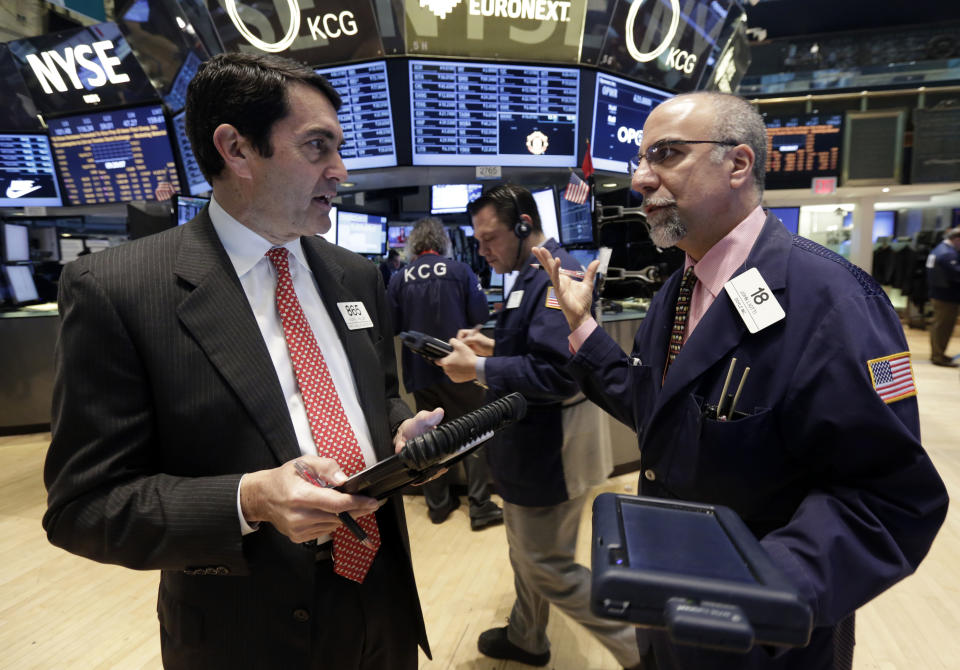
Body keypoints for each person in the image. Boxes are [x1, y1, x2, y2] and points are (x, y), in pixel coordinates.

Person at [42, 52, 442, 670]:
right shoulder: (120, 290)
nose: (341, 172)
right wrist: (249, 500)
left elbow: (376, 393)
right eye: (317, 147)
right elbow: (85, 507)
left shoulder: (355, 276)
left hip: (382, 601)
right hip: (246, 630)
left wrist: (396, 431)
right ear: (235, 148)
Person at [533, 91, 948, 670]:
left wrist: (749, 592)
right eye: (641, 160)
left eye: (666, 154)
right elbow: (661, 414)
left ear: (738, 164)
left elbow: (887, 499)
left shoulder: (830, 299)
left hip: (762, 641)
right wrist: (580, 324)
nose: (639, 180)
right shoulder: (678, 290)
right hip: (671, 618)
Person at [436, 184, 637, 669]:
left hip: (551, 454)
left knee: (547, 567)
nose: (483, 251)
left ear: (524, 225)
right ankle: (527, 637)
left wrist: (480, 370)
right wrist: (491, 346)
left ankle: (643, 649)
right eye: (478, 241)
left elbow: (557, 374)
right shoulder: (530, 273)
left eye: (490, 239)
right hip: (532, 450)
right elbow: (535, 349)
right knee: (526, 553)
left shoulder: (554, 274)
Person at [387, 216, 503, 529]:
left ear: (414, 245)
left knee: (429, 437)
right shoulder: (460, 270)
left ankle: (438, 505)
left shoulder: (399, 277)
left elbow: (393, 326)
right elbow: (479, 314)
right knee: (473, 433)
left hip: (420, 373)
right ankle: (479, 506)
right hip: (460, 368)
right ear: (443, 243)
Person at [926, 226, 960, 367]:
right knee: (943, 327)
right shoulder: (947, 254)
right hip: (946, 296)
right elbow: (956, 274)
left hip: (940, 295)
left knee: (939, 326)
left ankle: (938, 354)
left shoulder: (939, 249)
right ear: (957, 239)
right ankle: (938, 356)